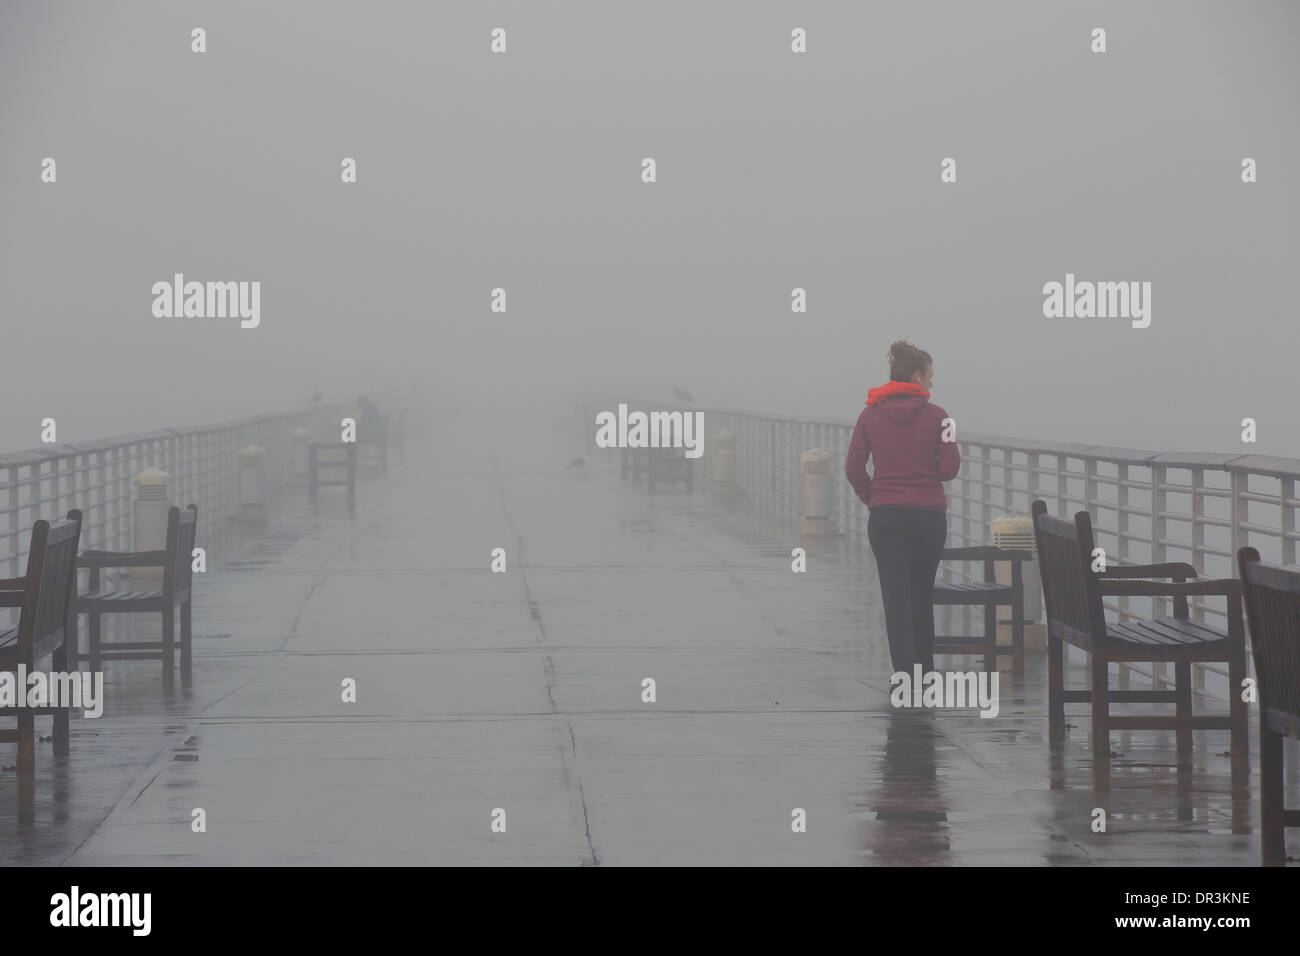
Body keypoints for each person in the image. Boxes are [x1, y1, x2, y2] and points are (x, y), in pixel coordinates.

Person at [845, 340, 961, 674]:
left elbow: (853, 468)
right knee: (922, 595)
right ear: (915, 376)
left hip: (887, 518)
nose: (932, 383)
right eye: (929, 376)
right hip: (928, 519)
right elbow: (948, 470)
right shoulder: (941, 418)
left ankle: (904, 677)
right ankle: (925, 673)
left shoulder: (869, 416)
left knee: (895, 600)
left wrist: (874, 498)